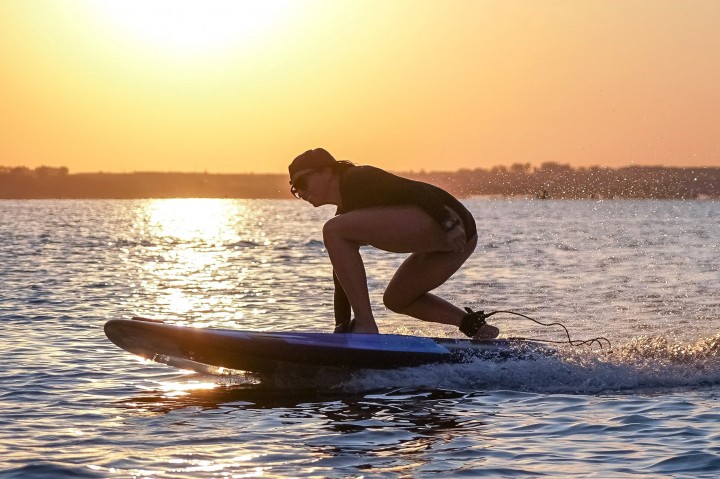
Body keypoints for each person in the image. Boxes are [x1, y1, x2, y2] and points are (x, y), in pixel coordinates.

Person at [288, 148, 499, 340]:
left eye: (302, 183)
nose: (301, 192)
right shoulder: (346, 217)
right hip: (458, 240)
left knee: (332, 229)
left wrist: (448, 223)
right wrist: (341, 327)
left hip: (449, 222)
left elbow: (416, 191)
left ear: (325, 172)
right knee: (397, 299)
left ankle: (366, 324)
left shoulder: (357, 178)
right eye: (295, 191)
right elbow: (342, 277)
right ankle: (475, 327)